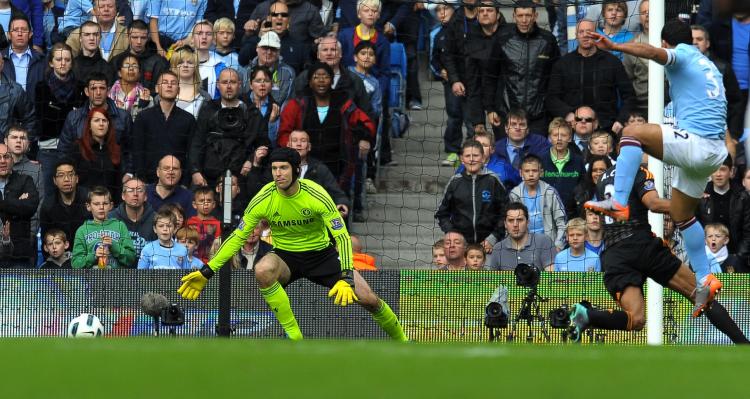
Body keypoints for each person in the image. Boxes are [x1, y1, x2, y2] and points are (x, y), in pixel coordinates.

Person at [177, 147, 408, 342]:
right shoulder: (264, 198)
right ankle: (295, 339)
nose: (278, 174)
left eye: (284, 168)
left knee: (369, 299)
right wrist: (207, 271)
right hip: (286, 257)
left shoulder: (316, 195)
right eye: (275, 168)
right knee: (262, 269)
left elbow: (341, 237)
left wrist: (347, 276)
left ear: (296, 170)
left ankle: (404, 343)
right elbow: (237, 237)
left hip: (322, 255)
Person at [585, 19, 729, 316]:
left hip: (697, 143)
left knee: (631, 134)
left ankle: (618, 202)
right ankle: (705, 279)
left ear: (667, 42)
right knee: (682, 215)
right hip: (714, 151)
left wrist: (615, 46)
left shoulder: (683, 55)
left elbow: (652, 53)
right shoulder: (709, 66)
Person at [568, 164, 749, 344]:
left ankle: (588, 315)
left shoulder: (602, 178)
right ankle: (744, 346)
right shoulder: (638, 172)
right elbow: (653, 203)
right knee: (702, 296)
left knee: (636, 319)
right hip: (641, 245)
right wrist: (689, 202)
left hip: (614, 254)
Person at [279, 62, 376, 188]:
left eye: (325, 77)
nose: (321, 81)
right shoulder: (297, 103)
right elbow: (283, 133)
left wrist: (365, 138)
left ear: (331, 81)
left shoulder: (343, 102)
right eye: (316, 77)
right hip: (302, 164)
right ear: (309, 81)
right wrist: (295, 150)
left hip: (338, 164)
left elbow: (365, 122)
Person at [481, 1, 560, 135]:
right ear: (514, 16)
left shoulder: (548, 40)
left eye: (528, 15)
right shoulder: (502, 40)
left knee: (536, 156)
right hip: (507, 114)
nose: (524, 20)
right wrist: (490, 109)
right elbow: (490, 76)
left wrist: (552, 109)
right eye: (520, 15)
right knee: (508, 155)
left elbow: (557, 78)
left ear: (535, 16)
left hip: (539, 116)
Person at [546, 19, 635, 133]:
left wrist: (620, 120)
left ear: (597, 34)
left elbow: (629, 96)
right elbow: (551, 98)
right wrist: (568, 114)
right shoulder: (562, 64)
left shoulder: (612, 62)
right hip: (572, 128)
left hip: (606, 128)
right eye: (581, 32)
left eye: (589, 32)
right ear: (576, 36)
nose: (585, 36)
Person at [189, 68, 268, 188]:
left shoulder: (252, 113)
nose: (229, 86)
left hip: (242, 179)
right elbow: (197, 142)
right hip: (210, 178)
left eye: (233, 82)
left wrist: (251, 160)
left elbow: (263, 143)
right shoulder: (208, 110)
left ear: (240, 84)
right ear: (217, 85)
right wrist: (195, 171)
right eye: (225, 82)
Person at [58, 72, 134, 178]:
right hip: (82, 178)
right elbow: (64, 150)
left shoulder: (123, 117)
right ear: (86, 91)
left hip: (114, 179)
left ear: (108, 90)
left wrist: (129, 174)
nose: (98, 92)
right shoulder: (73, 117)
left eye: (102, 88)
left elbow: (130, 149)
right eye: (94, 89)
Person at [35, 42, 86, 199]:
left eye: (67, 59)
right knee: (47, 195)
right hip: (48, 149)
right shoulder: (41, 87)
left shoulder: (81, 88)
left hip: (74, 149)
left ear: (72, 62)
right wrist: (70, 113)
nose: (63, 63)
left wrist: (58, 110)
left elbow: (81, 123)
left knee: (75, 195)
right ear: (51, 62)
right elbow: (45, 121)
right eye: (58, 59)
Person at [436, 140, 508, 248]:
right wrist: (455, 237)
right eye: (467, 156)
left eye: (475, 155)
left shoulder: (493, 180)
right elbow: (441, 214)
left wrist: (493, 238)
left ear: (483, 158)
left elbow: (506, 212)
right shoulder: (455, 182)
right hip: (462, 246)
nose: (471, 159)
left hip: (490, 246)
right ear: (462, 159)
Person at [132, 71, 196, 181]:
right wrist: (142, 180)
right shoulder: (143, 117)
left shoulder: (188, 119)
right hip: (149, 183)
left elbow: (191, 154)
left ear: (178, 90)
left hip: (178, 183)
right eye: (165, 82)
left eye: (173, 83)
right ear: (156, 89)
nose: (169, 85)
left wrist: (185, 183)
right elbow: (137, 151)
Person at [691, 24, 744, 147]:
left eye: (699, 39)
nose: (694, 43)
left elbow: (735, 103)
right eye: (691, 39)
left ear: (707, 43)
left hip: (718, 132)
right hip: (688, 130)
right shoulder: (677, 68)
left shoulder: (723, 68)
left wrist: (734, 135)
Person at [509, 154, 567, 250]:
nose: (531, 174)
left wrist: (558, 245)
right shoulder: (515, 194)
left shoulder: (550, 192)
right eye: (527, 171)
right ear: (520, 173)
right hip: (523, 247)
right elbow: (509, 225)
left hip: (549, 246)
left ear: (541, 172)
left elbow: (562, 222)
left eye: (534, 171)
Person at [71, 186, 135, 269]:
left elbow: (131, 259)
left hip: (118, 279)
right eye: (96, 204)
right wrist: (93, 255)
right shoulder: (82, 230)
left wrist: (114, 246)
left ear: (111, 205)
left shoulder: (120, 226)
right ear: (88, 206)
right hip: (91, 280)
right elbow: (76, 264)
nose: (101, 207)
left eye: (105, 203)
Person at [238, 1, 309, 73]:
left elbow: (306, 75)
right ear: (269, 18)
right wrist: (260, 39)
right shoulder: (257, 39)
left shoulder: (299, 47)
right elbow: (242, 60)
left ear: (289, 19)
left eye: (284, 15)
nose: (279, 17)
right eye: (275, 15)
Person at [0, 142, 39, 267]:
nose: (2, 161)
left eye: (6, 157)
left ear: (12, 160)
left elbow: (31, 207)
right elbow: (22, 207)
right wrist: (17, 202)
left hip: (19, 255)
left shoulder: (25, 180)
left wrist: (2, 204)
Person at [70, 107, 123, 196]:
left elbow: (117, 184)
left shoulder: (115, 149)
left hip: (109, 204)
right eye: (97, 120)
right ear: (89, 125)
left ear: (108, 125)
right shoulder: (78, 147)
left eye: (104, 121)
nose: (101, 124)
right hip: (85, 203)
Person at [487, 202, 556, 271]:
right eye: (511, 220)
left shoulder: (544, 241)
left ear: (527, 222)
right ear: (505, 224)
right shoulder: (498, 249)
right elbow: (493, 281)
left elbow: (551, 277)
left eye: (519, 220)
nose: (515, 224)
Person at [541, 117, 585, 219]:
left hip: (572, 215)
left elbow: (583, 187)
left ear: (570, 138)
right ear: (550, 138)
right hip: (546, 215)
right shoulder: (541, 160)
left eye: (563, 135)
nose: (559, 139)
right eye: (555, 135)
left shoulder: (578, 161)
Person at [40, 158, 90, 247]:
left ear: (77, 178)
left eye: (70, 174)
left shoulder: (89, 199)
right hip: (60, 257)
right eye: (61, 175)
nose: (66, 179)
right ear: (55, 181)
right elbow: (46, 240)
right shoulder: (48, 205)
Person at [109, 19, 170, 92]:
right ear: (127, 37)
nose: (139, 42)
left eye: (143, 38)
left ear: (147, 38)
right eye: (135, 37)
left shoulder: (159, 62)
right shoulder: (116, 61)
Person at [109, 177, 156, 262]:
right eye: (130, 190)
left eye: (139, 190)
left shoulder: (157, 219)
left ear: (145, 196)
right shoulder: (110, 218)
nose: (135, 194)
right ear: (123, 196)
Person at [246, 31, 295, 106]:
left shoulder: (288, 73)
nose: (269, 52)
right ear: (257, 48)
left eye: (273, 49)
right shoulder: (246, 70)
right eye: (265, 47)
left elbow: (285, 104)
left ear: (279, 51)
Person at [2, 15, 45, 100]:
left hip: (34, 111)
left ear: (30, 34)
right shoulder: (1, 59)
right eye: (15, 30)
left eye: (24, 30)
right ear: (9, 35)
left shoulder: (42, 60)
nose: (20, 33)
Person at [0, 54, 36, 141]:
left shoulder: (16, 90)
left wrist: (23, 143)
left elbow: (29, 119)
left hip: (8, 148)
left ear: (2, 64)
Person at [69, 21, 116, 87]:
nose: (91, 38)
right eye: (87, 35)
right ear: (80, 39)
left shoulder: (107, 68)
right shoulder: (71, 66)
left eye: (95, 35)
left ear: (100, 38)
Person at [170, 46, 211, 119]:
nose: (185, 65)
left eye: (190, 62)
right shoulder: (161, 97)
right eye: (180, 62)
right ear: (174, 67)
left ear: (195, 67)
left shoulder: (205, 97)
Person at [109, 54, 153, 121]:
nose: (131, 68)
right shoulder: (108, 96)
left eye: (135, 66)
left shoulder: (147, 98)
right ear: (119, 73)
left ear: (139, 73)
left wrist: (143, 104)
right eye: (127, 66)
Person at [245, 65, 280, 147]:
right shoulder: (241, 102)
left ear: (271, 85)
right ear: (250, 85)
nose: (262, 84)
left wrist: (271, 122)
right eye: (258, 81)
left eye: (266, 81)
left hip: (265, 151)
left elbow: (273, 141)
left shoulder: (275, 107)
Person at [186, 186, 221, 264]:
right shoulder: (189, 223)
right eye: (201, 201)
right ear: (194, 204)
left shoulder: (218, 224)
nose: (206, 204)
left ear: (214, 204)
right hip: (190, 263)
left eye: (209, 201)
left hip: (210, 264)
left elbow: (218, 246)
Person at [573, 155, 612, 221]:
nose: (598, 173)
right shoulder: (581, 192)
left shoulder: (617, 193)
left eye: (602, 170)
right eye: (594, 170)